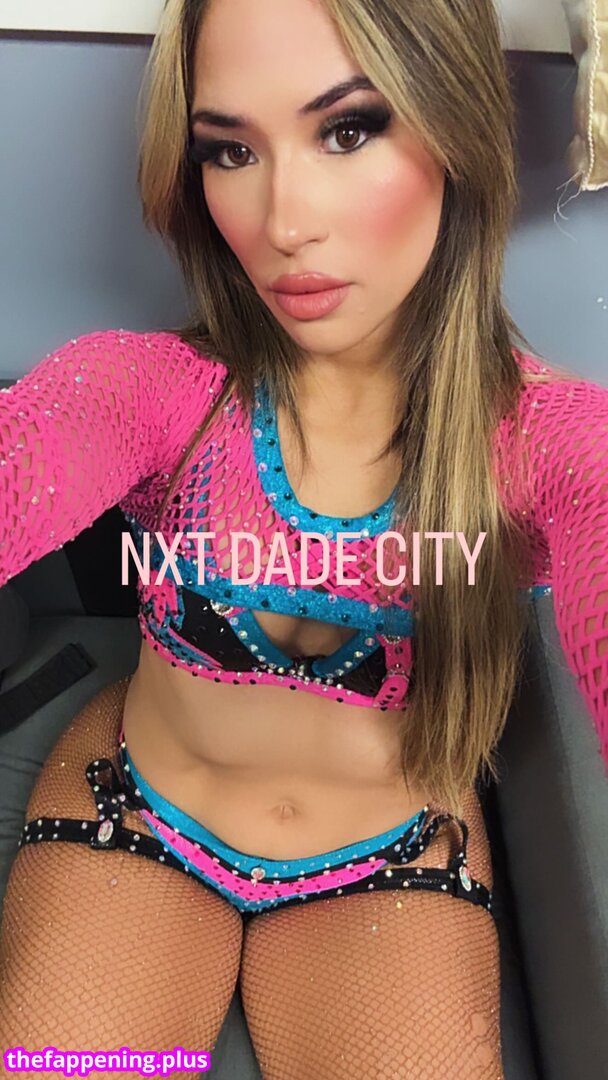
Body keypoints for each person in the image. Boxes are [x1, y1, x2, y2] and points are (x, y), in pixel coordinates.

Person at [0, 0, 606, 1076]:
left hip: (390, 865)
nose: (282, 222)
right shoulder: (151, 392)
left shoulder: (540, 439)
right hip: (132, 814)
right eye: (229, 150)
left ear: (456, 129)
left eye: (348, 129)